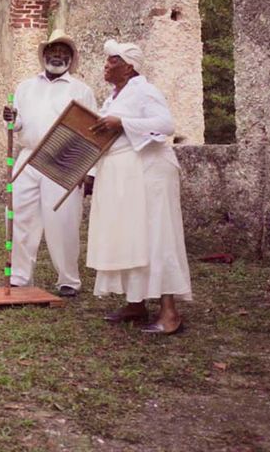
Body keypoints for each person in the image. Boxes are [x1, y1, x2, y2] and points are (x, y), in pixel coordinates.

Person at [86, 39, 192, 335]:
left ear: (129, 66)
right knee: (132, 237)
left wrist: (122, 122)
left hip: (151, 174)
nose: (106, 65)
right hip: (127, 175)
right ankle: (136, 303)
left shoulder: (145, 89)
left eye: (113, 61)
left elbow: (166, 124)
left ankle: (170, 313)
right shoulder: (114, 96)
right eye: (107, 60)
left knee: (157, 235)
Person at [2, 30, 97, 297]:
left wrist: (89, 171)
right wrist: (10, 118)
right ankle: (20, 276)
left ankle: (68, 279)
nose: (57, 56)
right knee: (19, 214)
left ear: (71, 58)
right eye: (53, 51)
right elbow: (17, 124)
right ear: (44, 55)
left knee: (63, 220)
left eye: (63, 52)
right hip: (29, 155)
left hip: (65, 159)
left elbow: (93, 131)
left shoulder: (81, 90)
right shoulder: (25, 86)